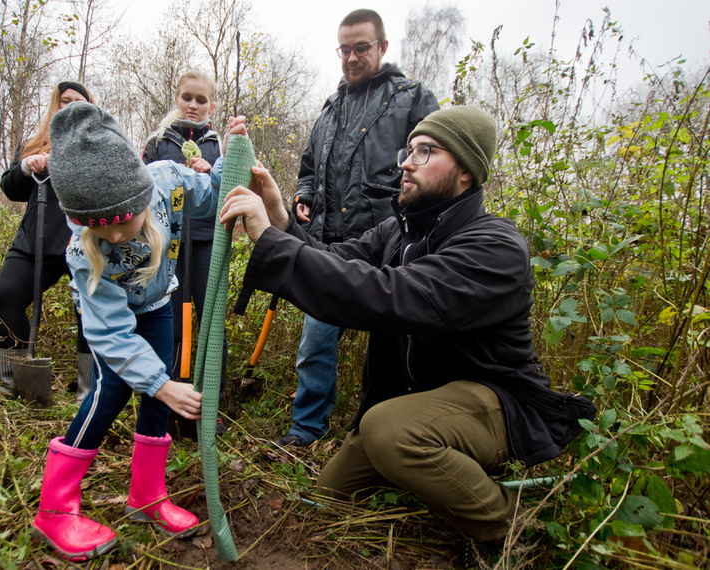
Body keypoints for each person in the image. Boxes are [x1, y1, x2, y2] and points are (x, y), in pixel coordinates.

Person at [220, 106, 596, 542]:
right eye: (409, 149)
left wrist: (269, 240)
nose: (405, 162)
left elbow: (387, 296)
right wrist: (280, 220)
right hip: (420, 404)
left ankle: (513, 528)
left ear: (466, 172)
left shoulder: (496, 246)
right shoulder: (397, 233)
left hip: (496, 403)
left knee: (388, 432)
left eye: (425, 151)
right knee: (329, 495)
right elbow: (335, 263)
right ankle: (424, 472)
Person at [30, 101, 246, 561]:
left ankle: (147, 496)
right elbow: (110, 334)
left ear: (138, 197)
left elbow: (211, 190)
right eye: (96, 229)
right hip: (117, 323)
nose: (112, 238)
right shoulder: (83, 251)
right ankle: (54, 509)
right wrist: (163, 383)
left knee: (156, 391)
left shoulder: (166, 180)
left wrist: (232, 152)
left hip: (159, 303)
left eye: (117, 223)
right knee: (108, 396)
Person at [280, 8, 440, 446]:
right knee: (315, 343)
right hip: (330, 247)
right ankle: (306, 431)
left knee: (396, 351)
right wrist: (304, 197)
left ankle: (390, 439)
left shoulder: (413, 98)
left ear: (382, 48)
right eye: (344, 49)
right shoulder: (331, 108)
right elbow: (310, 168)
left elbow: (435, 162)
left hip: (391, 253)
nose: (352, 57)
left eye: (361, 47)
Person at [0, 82, 96, 401]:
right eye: (64, 101)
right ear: (55, 104)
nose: (70, 107)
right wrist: (27, 165)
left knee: (91, 315)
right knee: (4, 296)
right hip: (34, 242)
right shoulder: (36, 144)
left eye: (78, 103)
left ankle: (87, 391)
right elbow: (12, 189)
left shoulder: (97, 147)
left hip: (84, 244)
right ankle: (13, 383)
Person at [142, 70, 227, 434]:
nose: (193, 105)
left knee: (209, 323)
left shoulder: (216, 144)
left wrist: (210, 172)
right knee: (172, 323)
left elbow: (228, 186)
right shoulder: (159, 140)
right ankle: (172, 404)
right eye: (187, 98)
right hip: (168, 243)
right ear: (177, 99)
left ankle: (208, 406)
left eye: (201, 99)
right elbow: (140, 185)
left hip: (207, 240)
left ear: (211, 104)